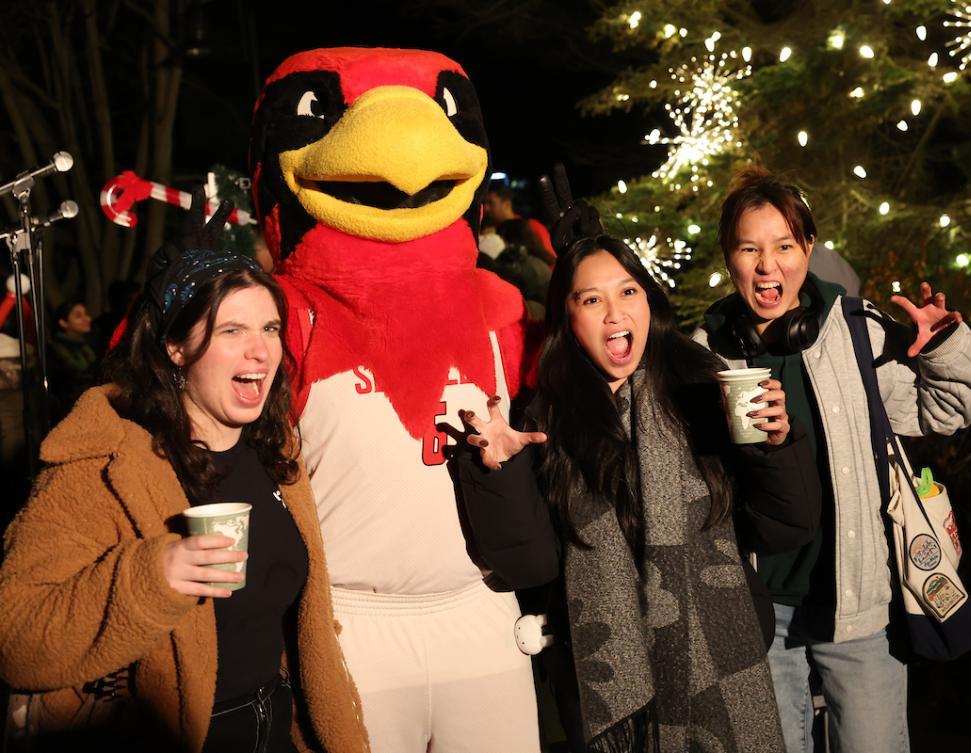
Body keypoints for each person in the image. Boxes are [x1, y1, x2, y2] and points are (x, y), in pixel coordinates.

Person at [0, 198, 368, 753]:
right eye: (230, 331)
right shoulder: (102, 464)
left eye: (269, 326)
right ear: (176, 348)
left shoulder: (276, 454)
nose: (260, 349)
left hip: (278, 732)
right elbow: (16, 638)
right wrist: (155, 576)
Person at [455, 215, 822, 751]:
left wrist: (775, 447)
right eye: (591, 300)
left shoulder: (701, 387)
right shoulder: (545, 416)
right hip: (605, 694)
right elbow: (526, 566)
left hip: (724, 666)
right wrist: (498, 471)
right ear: (568, 318)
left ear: (649, 300)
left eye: (628, 290)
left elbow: (786, 525)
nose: (615, 313)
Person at [694, 166, 971, 753]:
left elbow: (946, 411)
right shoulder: (706, 353)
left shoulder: (856, 335)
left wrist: (945, 346)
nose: (767, 265)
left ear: (808, 248)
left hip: (856, 600)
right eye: (749, 248)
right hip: (758, 610)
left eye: (783, 246)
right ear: (728, 256)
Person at [47, 299, 98, 418]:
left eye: (86, 314)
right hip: (69, 410)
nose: (88, 319)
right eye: (78, 316)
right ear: (63, 323)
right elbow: (78, 373)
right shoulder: (57, 348)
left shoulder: (86, 345)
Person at [483, 182, 556, 265]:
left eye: (491, 203)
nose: (486, 208)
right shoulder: (488, 232)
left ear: (507, 204)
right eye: (484, 203)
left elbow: (551, 261)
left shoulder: (532, 226)